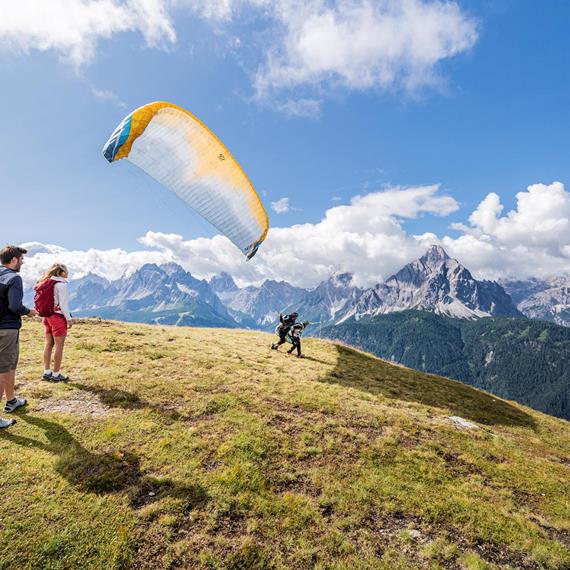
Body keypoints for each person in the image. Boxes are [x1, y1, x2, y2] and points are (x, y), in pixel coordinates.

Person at [0, 245, 37, 428]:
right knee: (2, 370)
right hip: (6, 329)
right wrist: (28, 311)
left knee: (9, 366)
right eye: (21, 259)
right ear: (13, 260)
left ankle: (12, 400)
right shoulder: (15, 278)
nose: (22, 262)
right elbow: (15, 307)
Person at [35, 263, 72, 382]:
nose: (67, 273)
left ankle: (46, 372)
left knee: (48, 344)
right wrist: (69, 319)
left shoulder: (45, 283)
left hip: (46, 316)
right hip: (57, 317)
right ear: (61, 273)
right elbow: (63, 304)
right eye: (66, 271)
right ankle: (56, 375)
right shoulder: (61, 285)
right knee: (59, 346)